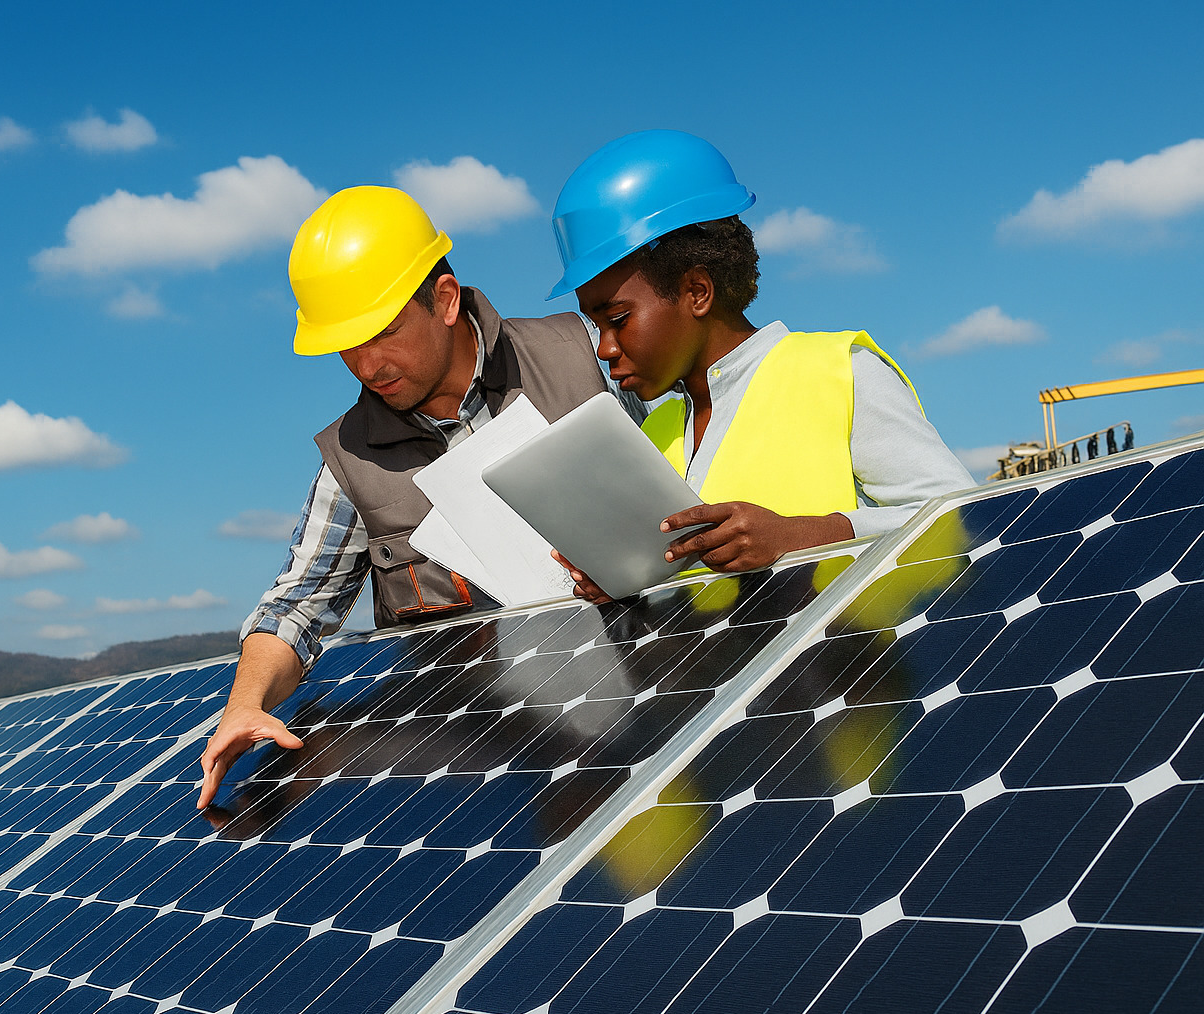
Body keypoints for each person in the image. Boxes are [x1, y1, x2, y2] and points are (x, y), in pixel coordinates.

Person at [197, 185, 641, 808]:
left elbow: (693, 505)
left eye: (382, 332)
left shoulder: (588, 359)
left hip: (658, 717)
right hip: (485, 781)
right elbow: (297, 605)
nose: (366, 363)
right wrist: (246, 703)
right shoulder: (352, 459)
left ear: (445, 300)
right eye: (344, 346)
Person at [545, 130, 973, 602]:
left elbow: (968, 523)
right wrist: (618, 582)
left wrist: (806, 537)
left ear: (696, 292)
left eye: (618, 319)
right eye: (596, 325)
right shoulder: (656, 432)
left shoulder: (839, 372)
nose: (604, 348)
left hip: (848, 671)